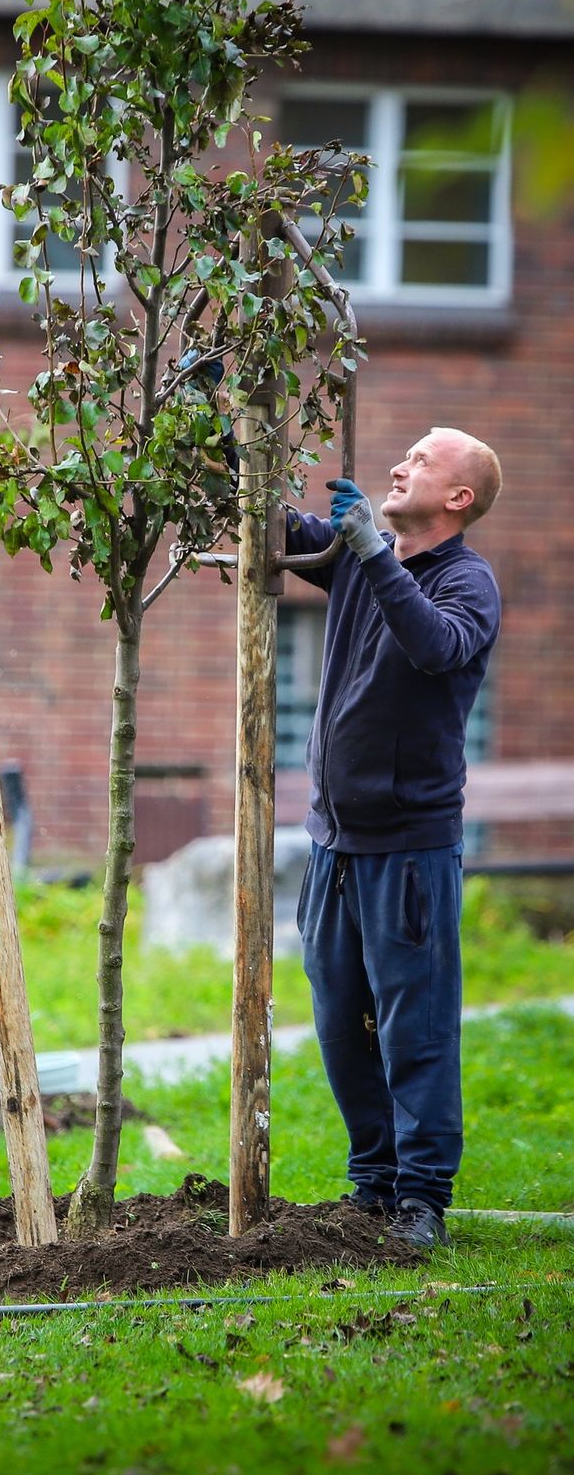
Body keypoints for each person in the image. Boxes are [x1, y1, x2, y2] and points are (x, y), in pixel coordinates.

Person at [285, 427, 503, 1252]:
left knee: (416, 1031)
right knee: (342, 1024)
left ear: (458, 498)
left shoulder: (468, 582)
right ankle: (371, 1185)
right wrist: (225, 443)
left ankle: (421, 1201)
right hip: (334, 845)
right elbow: (276, 530)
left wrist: (371, 548)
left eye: (420, 459)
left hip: (410, 850)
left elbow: (435, 645)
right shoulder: (358, 554)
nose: (396, 465)